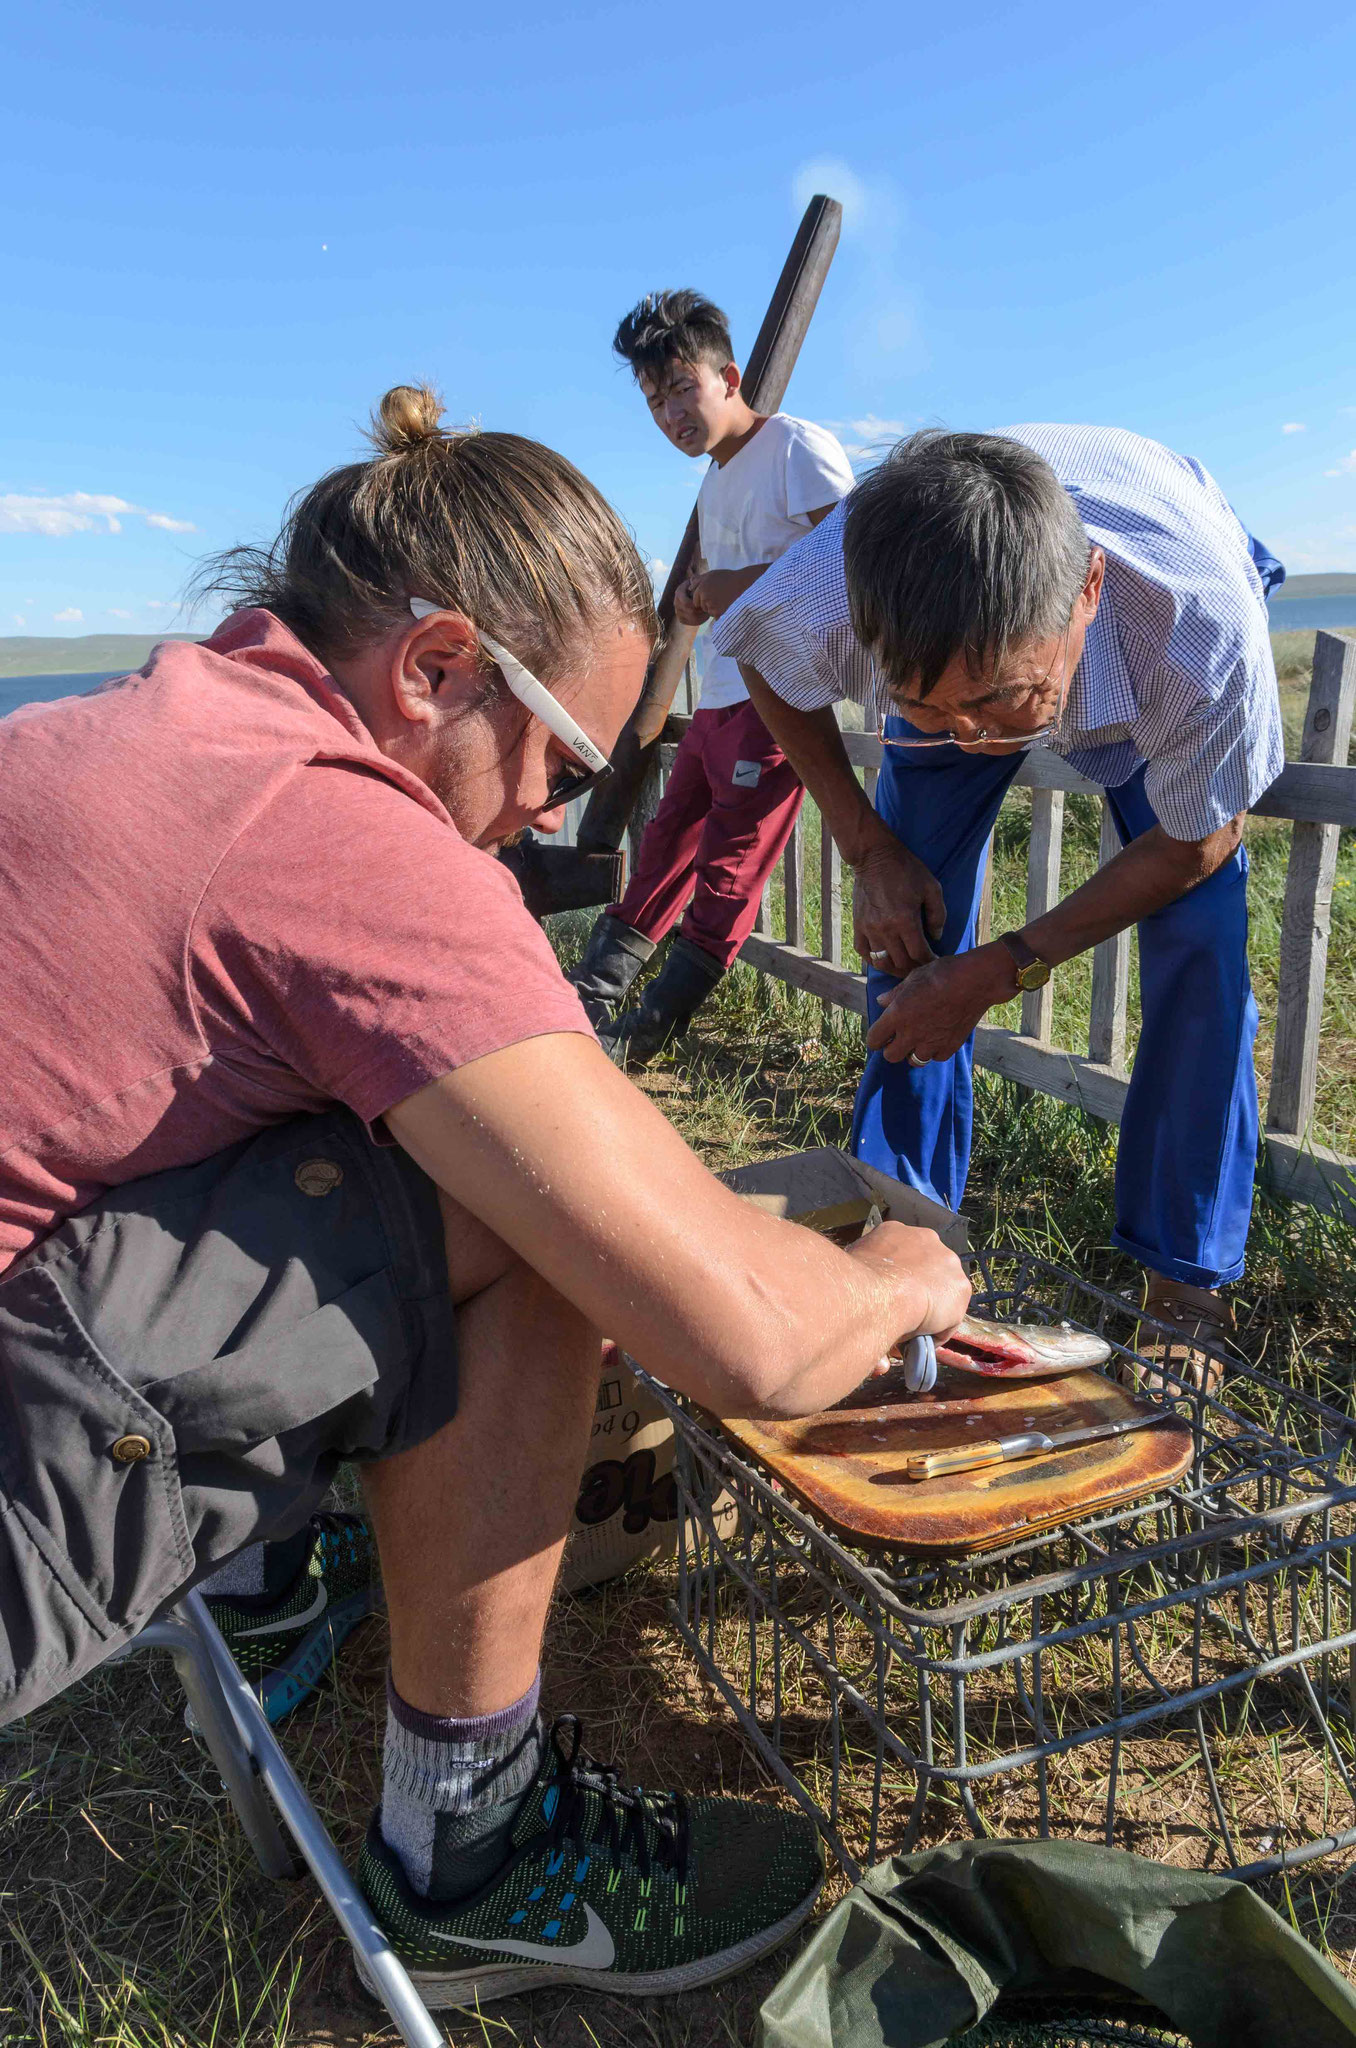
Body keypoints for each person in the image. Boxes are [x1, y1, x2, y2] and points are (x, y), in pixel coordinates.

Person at [0, 386, 970, 2010]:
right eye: (565, 759)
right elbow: (738, 1331)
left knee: (398, 1165)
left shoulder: (124, 727)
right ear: (437, 667)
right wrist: (898, 1275)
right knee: (531, 1215)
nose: (546, 815)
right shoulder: (343, 830)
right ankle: (476, 1841)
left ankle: (254, 1587)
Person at [711, 425, 1286, 1387]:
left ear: (1089, 593)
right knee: (910, 932)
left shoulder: (1201, 629)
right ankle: (906, 1227)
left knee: (1202, 940)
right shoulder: (839, 578)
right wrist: (867, 844)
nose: (974, 739)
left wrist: (1003, 966)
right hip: (979, 617)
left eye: (1005, 703)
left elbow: (1197, 843)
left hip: (1160, 601)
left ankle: (1184, 1282)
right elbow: (762, 655)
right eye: (929, 709)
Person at [570, 289, 854, 1060]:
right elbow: (749, 575)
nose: (671, 416)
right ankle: (589, 1005)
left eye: (682, 390)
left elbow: (853, 561)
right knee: (664, 844)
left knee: (729, 867)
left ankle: (650, 1033)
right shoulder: (718, 476)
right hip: (721, 696)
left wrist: (732, 587)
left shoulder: (794, 446)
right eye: (655, 402)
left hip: (780, 702)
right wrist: (702, 594)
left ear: (728, 376)